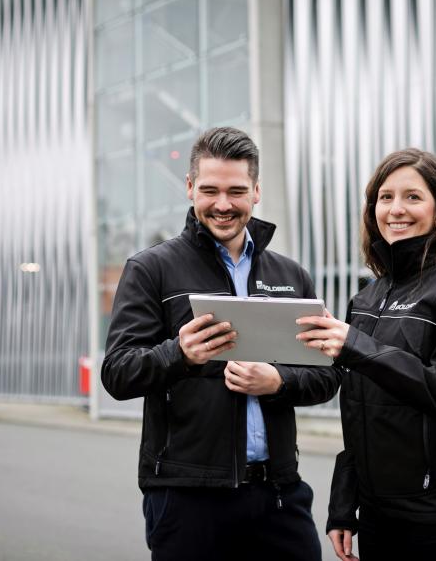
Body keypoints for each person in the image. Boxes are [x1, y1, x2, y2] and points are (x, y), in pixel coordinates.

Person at [101, 126, 341, 561]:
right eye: (210, 190)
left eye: (237, 191)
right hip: (188, 496)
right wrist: (179, 354)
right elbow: (117, 373)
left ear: (256, 191)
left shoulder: (291, 277)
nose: (223, 204)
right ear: (190, 187)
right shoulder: (151, 269)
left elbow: (325, 377)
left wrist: (278, 381)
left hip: (279, 494)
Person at [297, 148, 436, 561]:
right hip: (378, 516)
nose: (396, 209)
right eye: (385, 197)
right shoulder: (366, 298)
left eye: (413, 196)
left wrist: (358, 347)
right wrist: (343, 505)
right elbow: (357, 412)